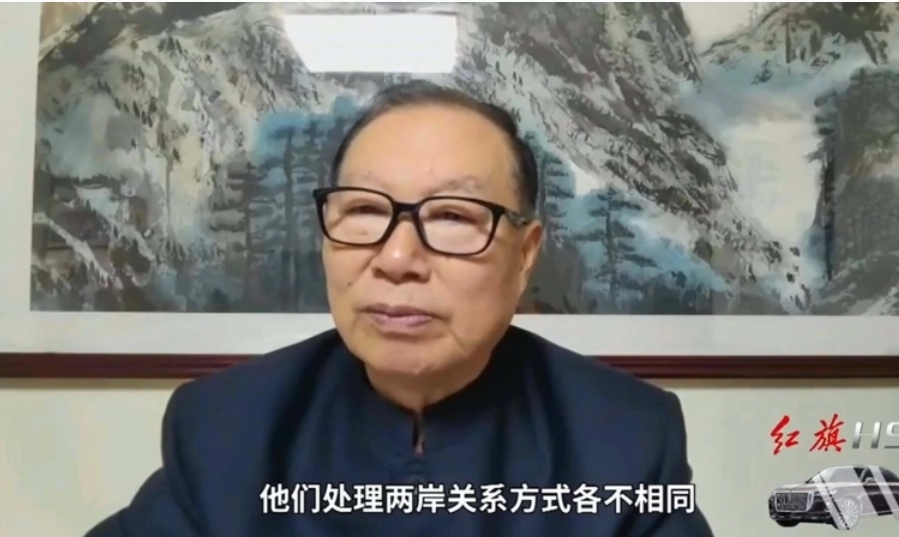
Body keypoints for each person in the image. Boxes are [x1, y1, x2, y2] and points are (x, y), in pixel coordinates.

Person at [86, 80, 713, 537]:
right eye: (364, 210)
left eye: (453, 216)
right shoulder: (228, 428)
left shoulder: (624, 440)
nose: (396, 258)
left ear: (525, 254)